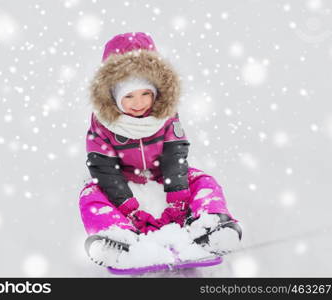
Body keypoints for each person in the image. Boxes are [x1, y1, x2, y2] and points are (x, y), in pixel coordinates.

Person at [79, 32, 242, 267]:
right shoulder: (103, 123)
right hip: (123, 184)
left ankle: (211, 226)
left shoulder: (165, 114)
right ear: (114, 96)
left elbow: (174, 155)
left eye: (146, 93)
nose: (139, 103)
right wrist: (129, 207)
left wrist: (177, 199)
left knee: (203, 180)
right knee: (90, 194)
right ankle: (116, 238)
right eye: (129, 96)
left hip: (162, 178)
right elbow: (103, 168)